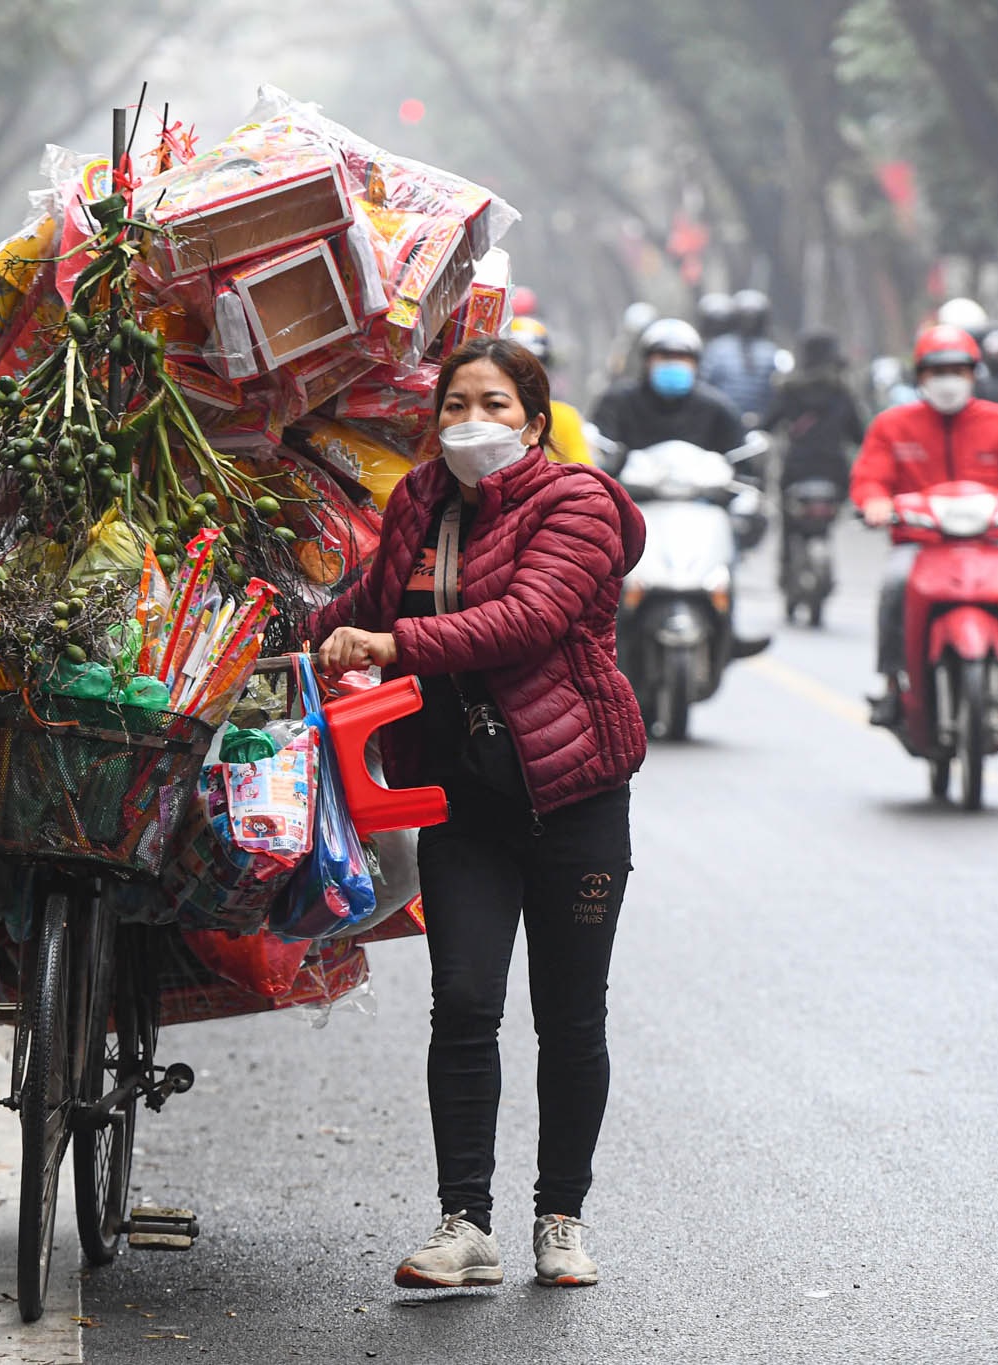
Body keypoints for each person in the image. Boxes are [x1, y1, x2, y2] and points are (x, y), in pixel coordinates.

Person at [312, 336, 647, 1291]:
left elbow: (528, 619)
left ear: (535, 421)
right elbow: (362, 601)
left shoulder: (576, 503)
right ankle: (466, 1222)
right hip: (462, 797)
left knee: (571, 1016)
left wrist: (390, 639)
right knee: (462, 1000)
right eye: (457, 402)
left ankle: (561, 1217)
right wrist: (268, 628)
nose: (474, 420)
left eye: (496, 404)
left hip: (575, 792)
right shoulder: (419, 502)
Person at [851, 324, 998, 730]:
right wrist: (875, 503)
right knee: (895, 585)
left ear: (973, 375)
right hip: (919, 543)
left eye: (958, 371)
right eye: (937, 371)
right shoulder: (892, 425)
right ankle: (894, 688)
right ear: (920, 377)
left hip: (988, 542)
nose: (948, 381)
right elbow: (870, 478)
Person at [591, 317, 744, 459]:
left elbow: (739, 459)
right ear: (647, 361)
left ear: (695, 363)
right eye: (664, 357)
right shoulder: (619, 402)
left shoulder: (716, 408)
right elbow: (600, 449)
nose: (673, 363)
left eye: (681, 357)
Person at [762, 330, 865, 489]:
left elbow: (766, 426)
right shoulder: (841, 393)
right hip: (835, 470)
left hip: (796, 470)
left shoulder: (788, 392)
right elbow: (858, 436)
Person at [508, 316, 593, 465]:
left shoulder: (564, 418)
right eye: (516, 365)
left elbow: (584, 471)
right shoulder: (486, 416)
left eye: (535, 364)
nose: (525, 373)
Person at [701, 289, 781, 422]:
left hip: (761, 420)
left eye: (753, 318)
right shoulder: (718, 348)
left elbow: (776, 388)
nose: (748, 323)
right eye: (744, 317)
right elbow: (707, 383)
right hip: (723, 417)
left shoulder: (771, 351)